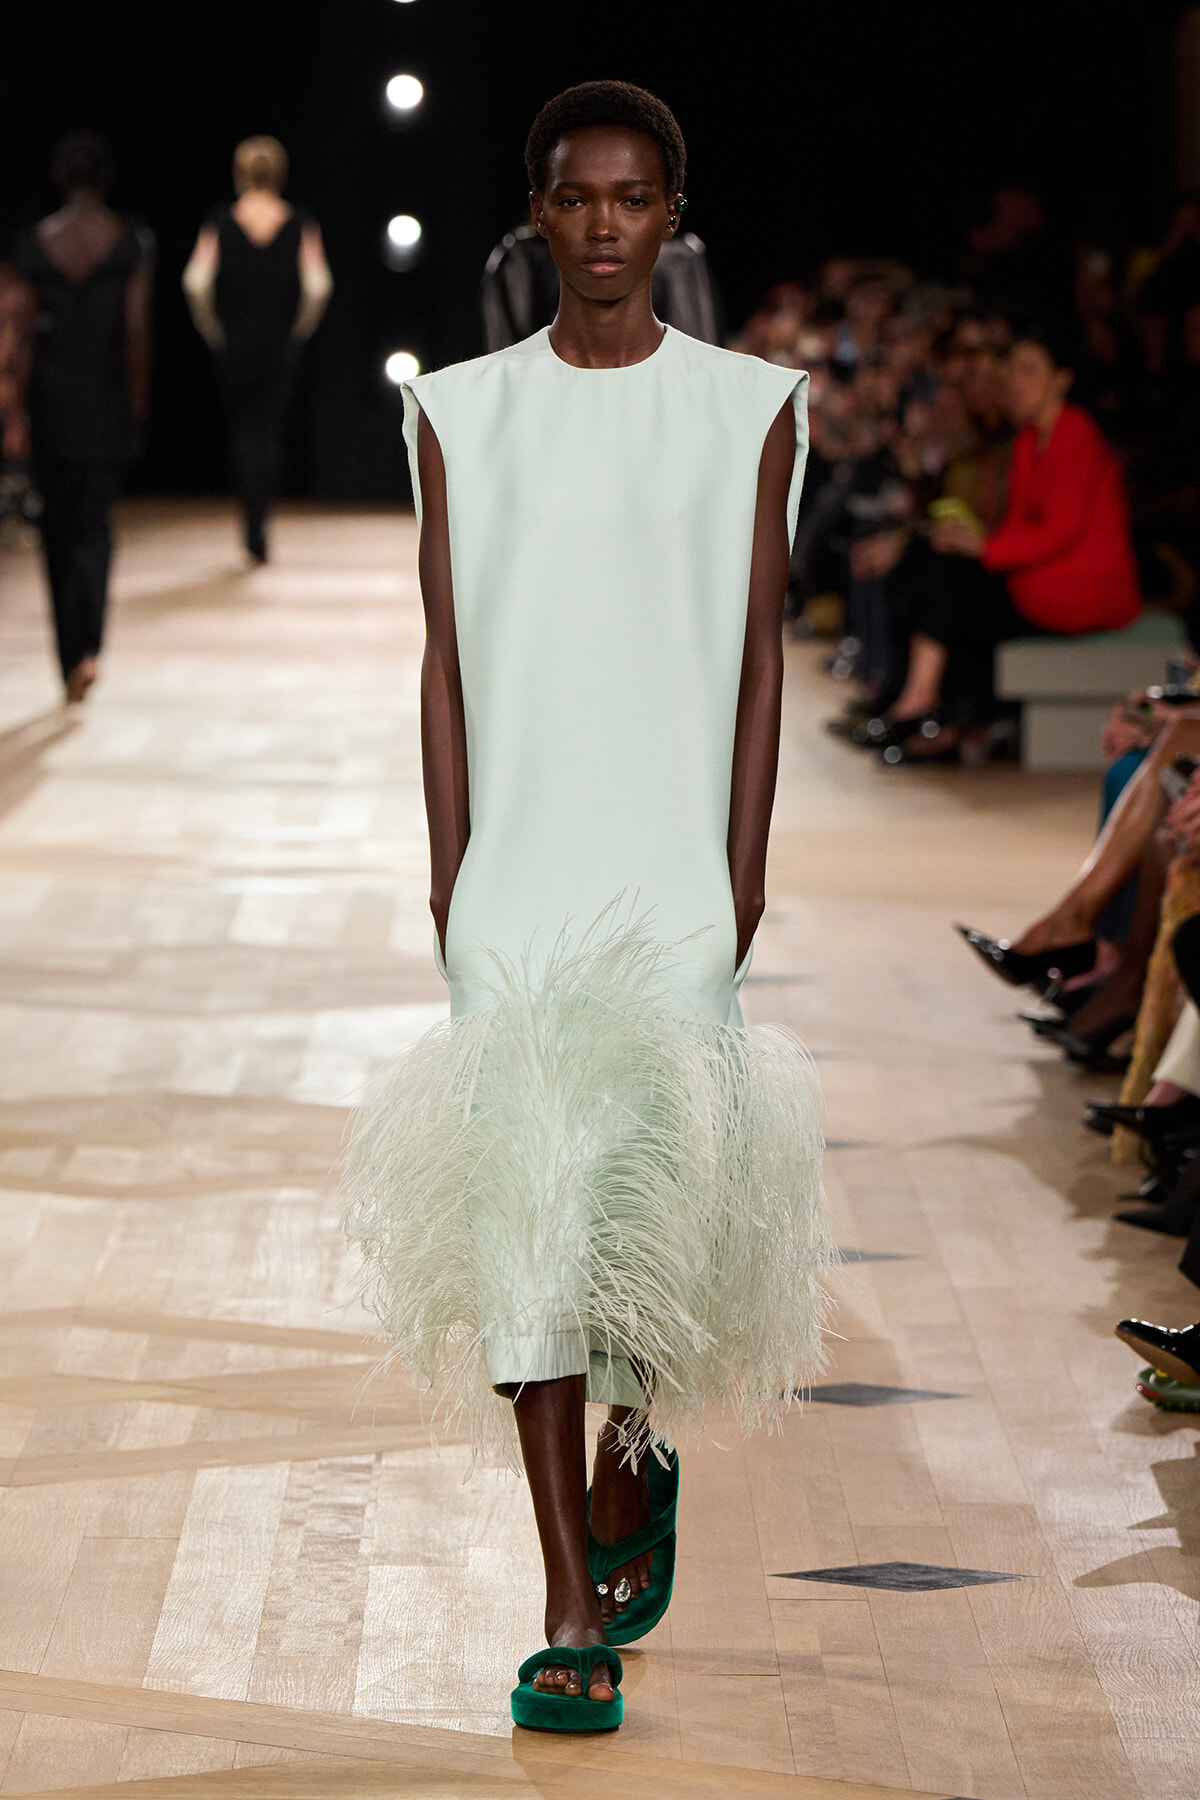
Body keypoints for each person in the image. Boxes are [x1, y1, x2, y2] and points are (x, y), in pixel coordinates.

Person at [343, 80, 831, 1733]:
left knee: (647, 1207)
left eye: (637, 198)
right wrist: (449, 873)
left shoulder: (751, 406)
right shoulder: (460, 414)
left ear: (670, 218)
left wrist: (742, 872)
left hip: (674, 866)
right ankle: (564, 1596)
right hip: (521, 870)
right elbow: (444, 659)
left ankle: (632, 1450)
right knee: (532, 1217)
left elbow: (763, 657)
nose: (607, 222)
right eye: (579, 197)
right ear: (537, 215)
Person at [864, 321, 1142, 759]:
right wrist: (974, 539)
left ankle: (926, 707)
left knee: (956, 585)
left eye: (1029, 369)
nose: (1015, 381)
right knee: (935, 562)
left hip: (1083, 585)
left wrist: (984, 548)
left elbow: (1061, 529)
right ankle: (922, 703)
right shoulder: (1030, 438)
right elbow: (1018, 522)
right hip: (1045, 574)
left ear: (1062, 379)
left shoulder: (1075, 431)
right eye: (1013, 370)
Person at [11, 131, 153, 702]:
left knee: (55, 531)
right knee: (94, 528)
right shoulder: (129, 242)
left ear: (60, 177)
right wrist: (138, 404)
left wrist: (17, 411)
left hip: (48, 399)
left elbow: (19, 335)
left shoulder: (34, 243)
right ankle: (90, 649)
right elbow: (137, 332)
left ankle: (68, 655)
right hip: (104, 398)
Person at [182, 137, 331, 563]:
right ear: (280, 174)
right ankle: (259, 526)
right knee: (268, 434)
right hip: (279, 341)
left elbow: (195, 281)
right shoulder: (299, 221)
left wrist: (215, 330)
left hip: (237, 342)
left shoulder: (221, 220)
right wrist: (298, 330)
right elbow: (319, 285)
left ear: (239, 173)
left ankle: (250, 525)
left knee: (245, 433)